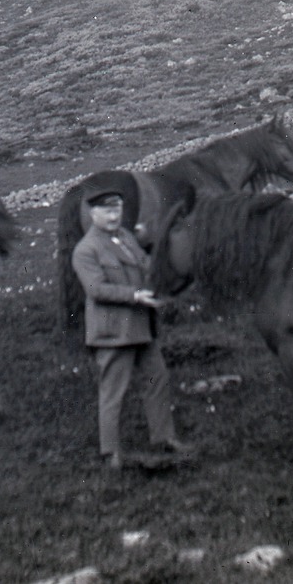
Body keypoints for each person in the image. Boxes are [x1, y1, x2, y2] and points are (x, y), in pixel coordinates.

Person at [71, 189, 191, 469]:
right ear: (93, 214)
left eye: (118, 210)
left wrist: (160, 279)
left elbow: (145, 264)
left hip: (141, 326)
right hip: (113, 333)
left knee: (157, 379)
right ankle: (110, 453)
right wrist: (136, 295)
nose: (114, 217)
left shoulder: (126, 238)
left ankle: (164, 437)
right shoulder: (86, 250)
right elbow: (96, 289)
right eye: (107, 212)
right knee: (114, 391)